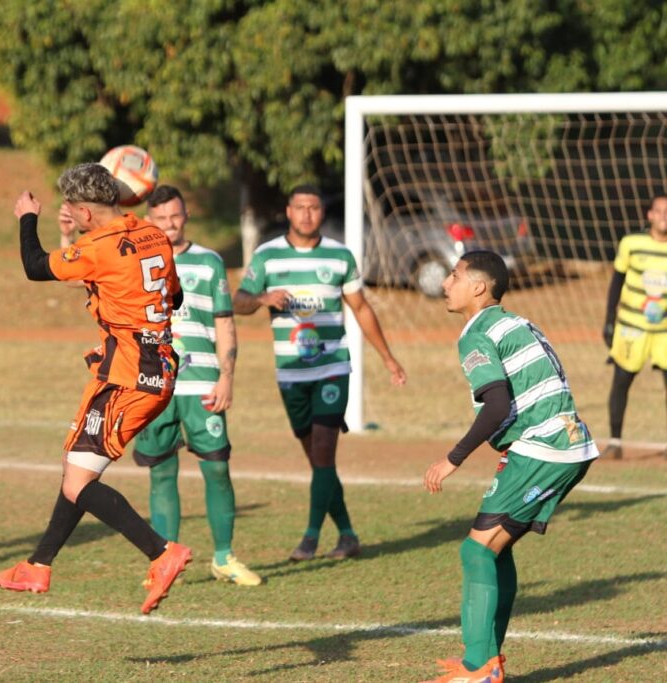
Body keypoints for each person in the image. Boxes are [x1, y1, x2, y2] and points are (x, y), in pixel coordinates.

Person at [0, 164, 192, 614]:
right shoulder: (153, 234)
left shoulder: (97, 246)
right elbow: (173, 299)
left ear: (82, 211)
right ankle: (39, 564)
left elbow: (35, 267)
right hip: (150, 369)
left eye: (73, 212)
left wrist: (26, 216)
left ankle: (162, 552)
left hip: (130, 377)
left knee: (79, 480)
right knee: (78, 468)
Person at [421, 250, 599, 683]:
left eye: (454, 275)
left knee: (476, 549)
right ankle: (488, 662)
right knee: (495, 550)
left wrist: (452, 458)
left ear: (478, 287)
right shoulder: (517, 322)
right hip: (567, 441)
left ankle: (478, 667)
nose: (445, 283)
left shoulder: (476, 331)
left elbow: (497, 404)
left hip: (544, 447)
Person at [233, 184, 406, 562]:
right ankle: (347, 535)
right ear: (288, 211)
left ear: (321, 214)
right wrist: (263, 299)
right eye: (300, 207)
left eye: (314, 207)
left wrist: (388, 358)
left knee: (325, 451)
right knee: (318, 461)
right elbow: (239, 301)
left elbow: (360, 308)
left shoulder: (340, 256)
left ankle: (309, 539)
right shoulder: (267, 257)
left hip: (332, 368)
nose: (307, 214)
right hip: (291, 374)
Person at [131, 185, 262, 586]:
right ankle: (166, 561)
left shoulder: (209, 263)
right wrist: (67, 238)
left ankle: (223, 557)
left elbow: (225, 321)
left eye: (175, 216)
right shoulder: (134, 259)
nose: (169, 224)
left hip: (204, 382)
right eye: (161, 218)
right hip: (153, 384)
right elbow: (78, 278)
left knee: (217, 469)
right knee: (161, 473)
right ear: (148, 220)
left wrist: (227, 377)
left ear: (186, 215)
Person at [602, 195, 667, 460]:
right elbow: (616, 281)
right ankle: (615, 442)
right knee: (621, 382)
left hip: (664, 331)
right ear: (649, 215)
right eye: (660, 211)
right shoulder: (631, 243)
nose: (664, 216)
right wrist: (608, 319)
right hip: (632, 327)